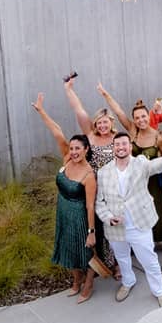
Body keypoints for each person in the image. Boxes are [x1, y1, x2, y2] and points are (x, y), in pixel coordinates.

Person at [96, 132, 162, 307]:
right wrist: (108, 217)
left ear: (129, 146)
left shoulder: (140, 163)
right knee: (122, 257)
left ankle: (160, 291)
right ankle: (128, 282)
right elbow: (100, 202)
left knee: (148, 260)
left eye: (124, 144)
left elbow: (157, 165)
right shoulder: (103, 172)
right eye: (117, 144)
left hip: (139, 224)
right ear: (113, 148)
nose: (121, 147)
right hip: (115, 228)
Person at [32, 93, 101, 302]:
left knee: (85, 251)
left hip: (80, 216)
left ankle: (88, 284)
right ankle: (76, 281)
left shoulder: (89, 175)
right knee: (67, 247)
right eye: (71, 148)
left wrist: (91, 232)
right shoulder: (66, 159)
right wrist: (42, 111)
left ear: (86, 149)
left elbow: (90, 206)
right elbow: (57, 132)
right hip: (63, 211)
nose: (73, 152)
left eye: (78, 148)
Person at [98, 83, 162, 245]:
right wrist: (105, 94)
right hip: (133, 181)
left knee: (157, 209)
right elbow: (118, 112)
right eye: (137, 118)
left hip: (151, 181)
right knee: (134, 210)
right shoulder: (132, 130)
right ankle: (138, 240)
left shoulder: (158, 137)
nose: (140, 120)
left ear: (149, 116)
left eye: (143, 116)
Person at [64, 76, 120, 279]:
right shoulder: (89, 136)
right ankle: (97, 262)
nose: (103, 126)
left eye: (106, 122)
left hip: (113, 189)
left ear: (110, 123)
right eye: (99, 122)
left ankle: (116, 263)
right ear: (95, 123)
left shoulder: (117, 139)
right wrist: (69, 90)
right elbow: (79, 110)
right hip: (92, 188)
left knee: (113, 226)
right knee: (94, 225)